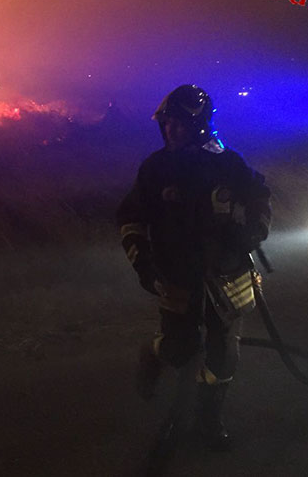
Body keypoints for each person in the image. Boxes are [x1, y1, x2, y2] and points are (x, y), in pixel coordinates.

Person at [116, 84, 271, 451]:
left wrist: (252, 232)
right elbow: (131, 218)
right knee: (179, 347)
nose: (170, 130)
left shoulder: (228, 163)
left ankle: (207, 421)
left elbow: (259, 199)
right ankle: (153, 354)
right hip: (178, 273)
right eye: (167, 124)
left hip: (228, 274)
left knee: (224, 352)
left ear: (199, 126)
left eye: (179, 125)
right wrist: (144, 263)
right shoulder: (156, 168)